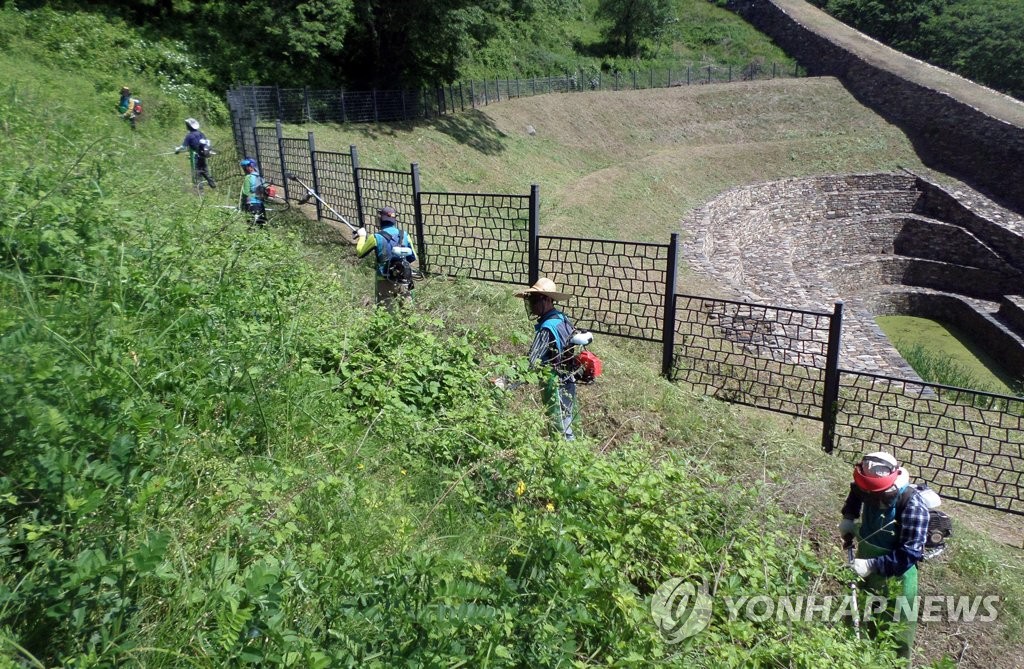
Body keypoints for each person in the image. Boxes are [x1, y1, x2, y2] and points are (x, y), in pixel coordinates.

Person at [839, 451, 928, 663]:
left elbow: (909, 554)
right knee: (859, 615)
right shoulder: (866, 487)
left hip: (897, 577)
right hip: (865, 567)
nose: (870, 497)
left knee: (893, 632)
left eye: (874, 494)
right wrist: (848, 518)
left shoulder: (913, 506)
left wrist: (871, 565)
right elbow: (856, 493)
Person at [510, 278, 579, 440]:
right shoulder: (562, 318)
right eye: (530, 300)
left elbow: (531, 363)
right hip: (568, 379)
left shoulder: (547, 328)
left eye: (535, 300)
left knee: (559, 429)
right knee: (566, 423)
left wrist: (506, 382)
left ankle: (562, 461)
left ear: (547, 300)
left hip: (554, 382)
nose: (532, 305)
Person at [355, 206, 417, 305]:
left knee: (384, 314)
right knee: (408, 314)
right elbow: (413, 257)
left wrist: (362, 236)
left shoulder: (375, 237)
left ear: (380, 219)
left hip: (383, 279)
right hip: (404, 279)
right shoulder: (405, 235)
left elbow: (360, 252)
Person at [174, 118, 216, 189]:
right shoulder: (201, 133)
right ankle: (212, 184)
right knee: (205, 170)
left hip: (196, 156)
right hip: (203, 155)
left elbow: (183, 147)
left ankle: (200, 191)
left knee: (197, 173)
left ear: (189, 126)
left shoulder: (189, 136)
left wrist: (177, 150)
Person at [238, 158, 266, 228]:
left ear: (249, 167)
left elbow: (246, 192)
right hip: (260, 205)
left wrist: (242, 205)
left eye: (244, 168)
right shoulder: (260, 178)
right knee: (261, 224)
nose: (244, 170)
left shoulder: (248, 177)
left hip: (251, 204)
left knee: (251, 224)